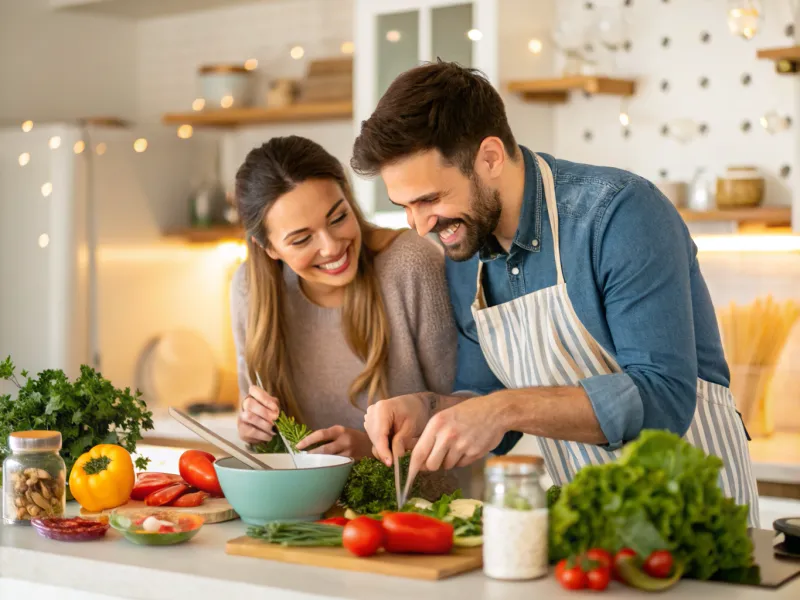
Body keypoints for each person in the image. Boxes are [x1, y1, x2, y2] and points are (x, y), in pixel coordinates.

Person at [350, 61, 759, 525]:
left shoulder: (620, 215)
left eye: (430, 199)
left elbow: (663, 399)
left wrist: (503, 409)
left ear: (490, 157)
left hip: (697, 514)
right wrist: (425, 409)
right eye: (404, 206)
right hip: (588, 522)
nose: (420, 225)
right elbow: (488, 403)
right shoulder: (467, 251)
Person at [232, 135, 457, 460]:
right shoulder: (248, 290)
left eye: (338, 218)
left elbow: (465, 415)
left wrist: (375, 453)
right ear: (269, 249)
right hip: (304, 509)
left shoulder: (411, 264)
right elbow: (261, 446)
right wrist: (252, 427)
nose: (332, 246)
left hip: (416, 508)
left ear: (348, 198)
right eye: (301, 239)